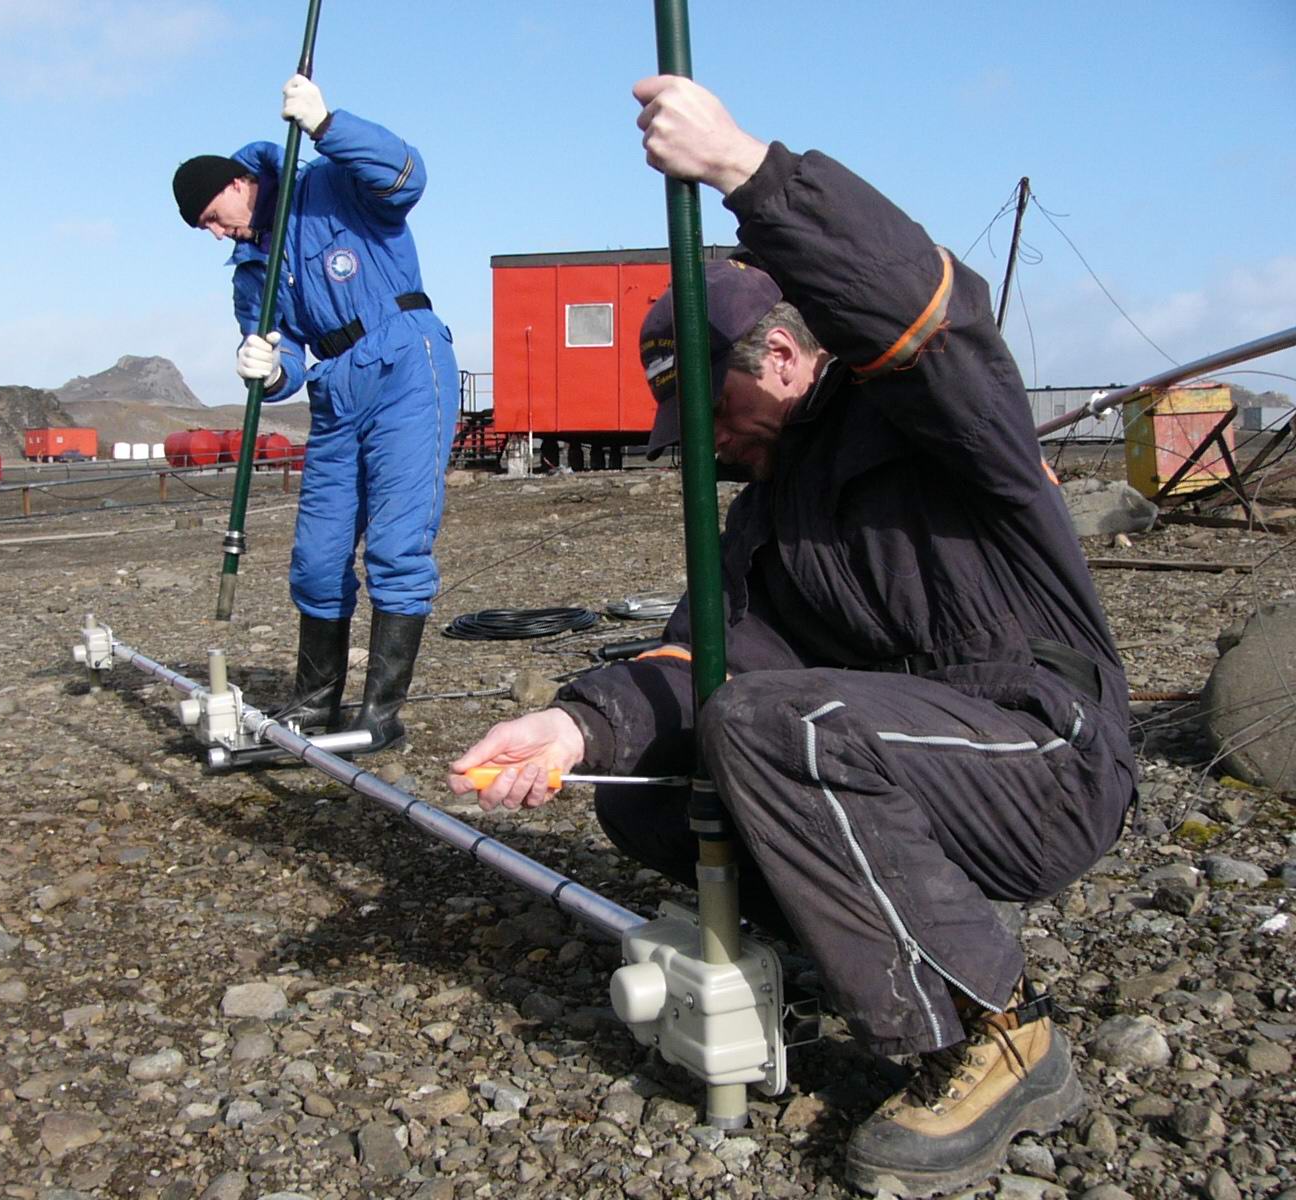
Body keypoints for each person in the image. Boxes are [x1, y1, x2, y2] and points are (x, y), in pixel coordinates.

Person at [448, 76, 1135, 1198]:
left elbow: (919, 305)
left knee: (776, 725)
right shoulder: (764, 520)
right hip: (905, 762)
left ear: (778, 357)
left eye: (711, 413)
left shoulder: (934, 419)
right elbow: (700, 661)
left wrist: (746, 171)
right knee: (650, 789)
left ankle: (998, 1033)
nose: (706, 444)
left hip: (1046, 755)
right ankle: (850, 948)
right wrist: (575, 728)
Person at [172, 75, 459, 752]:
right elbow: (285, 355)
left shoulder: (331, 182)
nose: (215, 233)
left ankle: (380, 715)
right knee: (317, 558)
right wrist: (270, 370)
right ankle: (314, 701)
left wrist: (329, 125)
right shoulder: (252, 272)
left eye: (212, 216)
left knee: (396, 546)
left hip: (405, 362)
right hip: (335, 392)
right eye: (204, 228)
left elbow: (407, 176)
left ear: (239, 182)